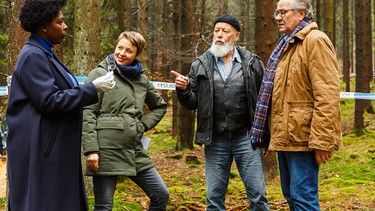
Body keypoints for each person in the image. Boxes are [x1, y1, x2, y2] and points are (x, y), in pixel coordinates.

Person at [6, 0, 115, 210]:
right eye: (60, 22)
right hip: (42, 153)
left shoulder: (45, 53)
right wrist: (93, 88)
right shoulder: (33, 56)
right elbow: (49, 100)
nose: (65, 27)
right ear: (43, 26)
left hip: (54, 149)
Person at [248, 0, 342, 210]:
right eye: (277, 13)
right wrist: (269, 135)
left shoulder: (315, 40)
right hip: (286, 137)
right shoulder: (286, 43)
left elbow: (327, 93)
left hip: (304, 138)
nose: (278, 17)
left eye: (283, 12)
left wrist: (323, 141)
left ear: (301, 14)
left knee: (303, 199)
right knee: (291, 195)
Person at [171, 15, 269, 211]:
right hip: (215, 139)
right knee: (214, 198)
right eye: (216, 30)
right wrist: (182, 90)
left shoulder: (252, 63)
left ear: (236, 35)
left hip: (246, 137)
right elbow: (192, 103)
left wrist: (265, 136)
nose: (219, 35)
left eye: (225, 31)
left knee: (258, 196)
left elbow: (265, 102)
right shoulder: (200, 64)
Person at [82, 31, 169, 211]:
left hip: (134, 149)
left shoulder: (142, 79)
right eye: (119, 48)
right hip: (105, 150)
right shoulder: (99, 73)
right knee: (104, 207)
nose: (122, 53)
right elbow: (88, 112)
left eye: (128, 51)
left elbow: (160, 106)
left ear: (137, 55)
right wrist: (91, 150)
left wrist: (142, 125)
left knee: (161, 195)